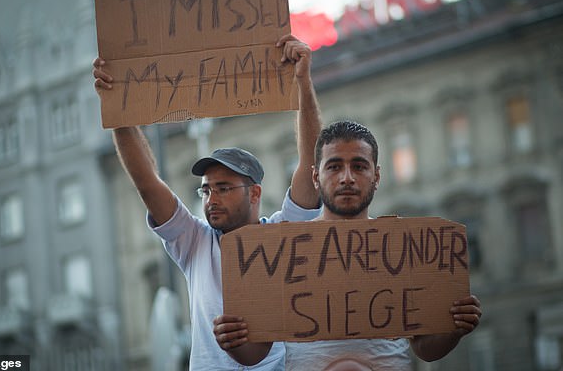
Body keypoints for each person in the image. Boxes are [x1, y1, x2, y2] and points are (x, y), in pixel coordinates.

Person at [93, 34, 322, 370]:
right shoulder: (195, 242)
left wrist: (302, 82)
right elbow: (147, 183)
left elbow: (311, 164)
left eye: (224, 188)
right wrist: (117, 107)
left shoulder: (284, 233)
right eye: (206, 190)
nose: (211, 198)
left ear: (254, 193)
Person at [213, 120, 483, 370]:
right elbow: (255, 353)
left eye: (359, 166)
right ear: (315, 177)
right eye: (334, 166)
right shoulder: (285, 251)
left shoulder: (402, 246)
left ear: (376, 176)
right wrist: (232, 341)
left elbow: (426, 349)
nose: (347, 178)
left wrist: (454, 328)